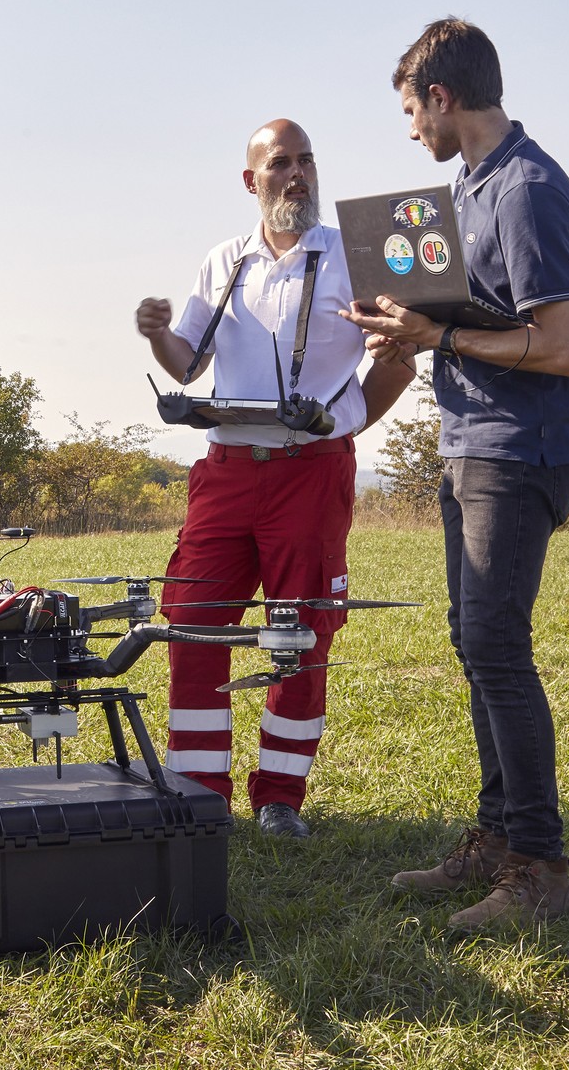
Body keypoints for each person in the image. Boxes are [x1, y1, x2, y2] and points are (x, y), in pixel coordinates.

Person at [344, 18, 569, 929]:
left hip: (520, 445)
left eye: (413, 110)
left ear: (442, 98)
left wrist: (437, 335)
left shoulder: (527, 190)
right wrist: (404, 319)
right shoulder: (468, 188)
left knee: (496, 646)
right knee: (473, 643)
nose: (412, 129)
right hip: (470, 437)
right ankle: (495, 840)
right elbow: (480, 312)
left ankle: (538, 871)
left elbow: (565, 348)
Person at [136, 119, 414, 839]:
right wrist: (157, 335)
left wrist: (340, 420)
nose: (298, 175)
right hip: (226, 468)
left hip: (311, 470)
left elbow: (399, 360)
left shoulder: (357, 256)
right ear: (251, 180)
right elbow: (189, 361)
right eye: (281, 163)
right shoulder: (224, 260)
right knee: (194, 627)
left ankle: (280, 800)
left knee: (300, 635)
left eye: (307, 161)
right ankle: (199, 796)